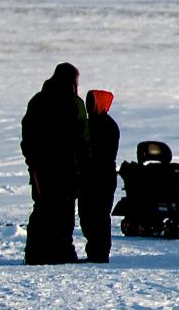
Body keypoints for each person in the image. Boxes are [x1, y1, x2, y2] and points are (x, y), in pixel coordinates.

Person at [20, 62, 87, 264]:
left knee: (42, 209)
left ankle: (35, 253)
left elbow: (27, 136)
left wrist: (32, 162)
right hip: (67, 168)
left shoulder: (37, 101)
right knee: (64, 212)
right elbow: (84, 137)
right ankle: (62, 253)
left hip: (41, 169)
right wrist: (84, 164)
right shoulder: (74, 103)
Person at [79, 89, 121, 263]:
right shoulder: (94, 123)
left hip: (100, 176)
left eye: (92, 102)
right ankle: (95, 251)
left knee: (98, 216)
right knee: (88, 215)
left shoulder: (105, 125)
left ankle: (100, 253)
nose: (89, 106)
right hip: (93, 176)